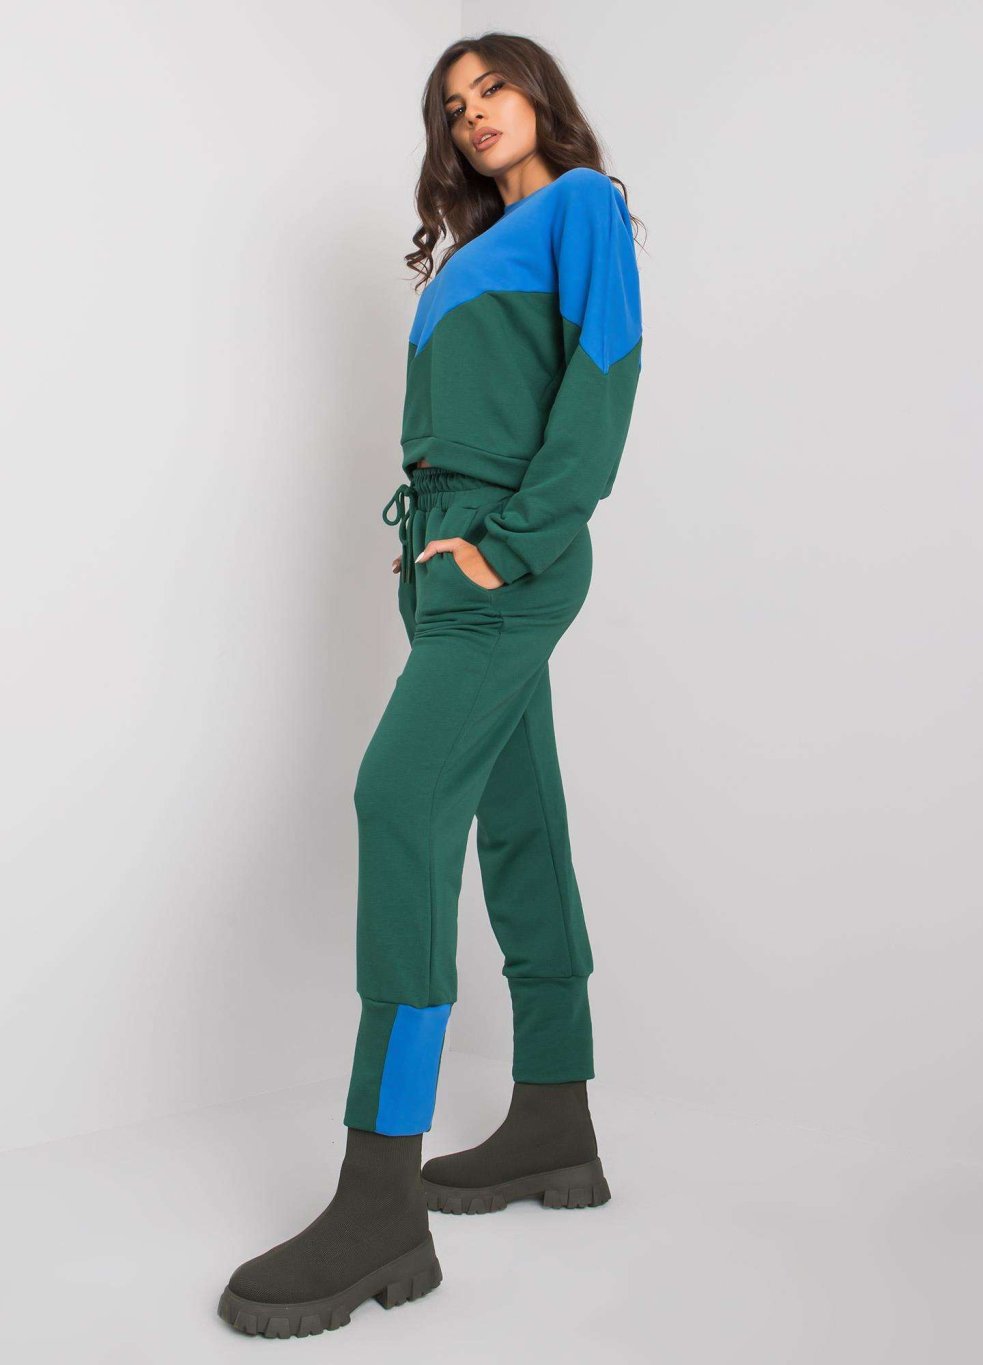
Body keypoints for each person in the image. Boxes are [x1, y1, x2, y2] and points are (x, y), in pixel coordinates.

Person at [217, 30, 644, 1339]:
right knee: (517, 820)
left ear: (541, 94)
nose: (473, 115)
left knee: (398, 801)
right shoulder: (469, 253)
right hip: (447, 562)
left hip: (508, 555)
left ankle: (378, 1197)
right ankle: (555, 1115)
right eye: (453, 107)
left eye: (492, 87)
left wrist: (508, 545)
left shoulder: (582, 207)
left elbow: (604, 386)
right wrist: (435, 554)